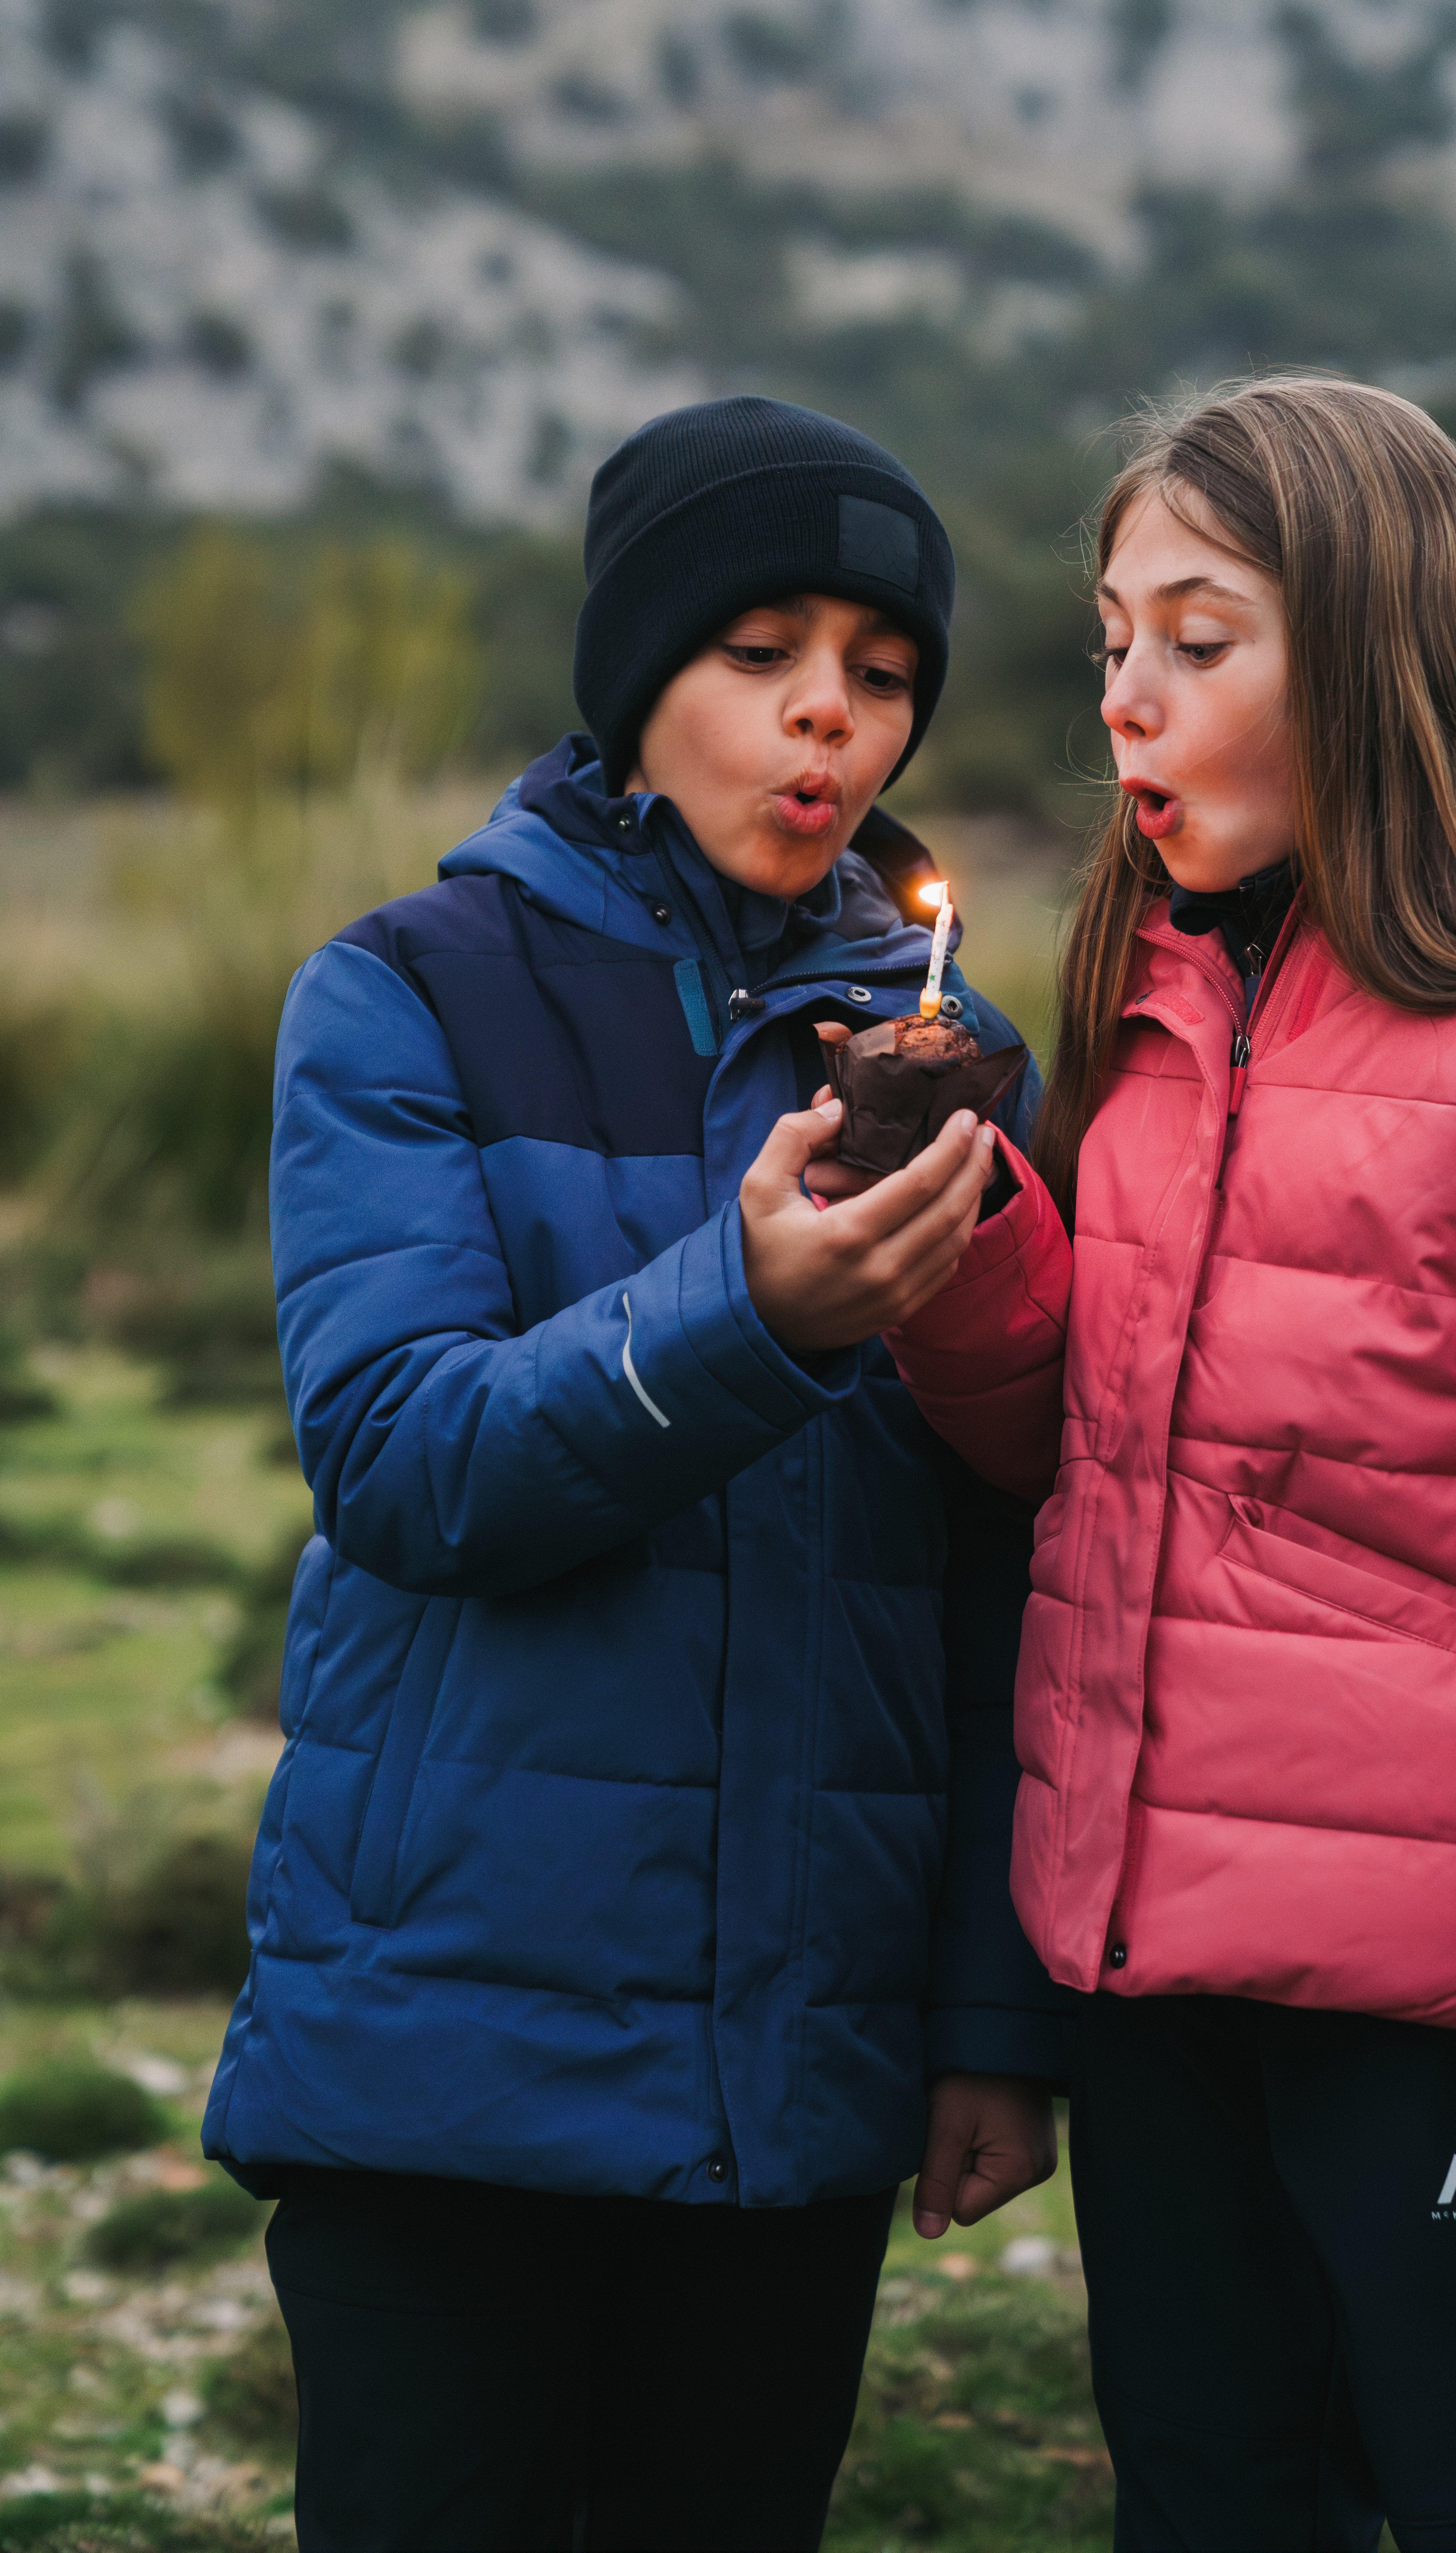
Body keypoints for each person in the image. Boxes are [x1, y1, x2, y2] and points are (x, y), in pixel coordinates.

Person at [884, 376, 1456, 2553]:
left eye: (1198, 640)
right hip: (1158, 1994)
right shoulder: (1159, 989)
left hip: (1445, 2019)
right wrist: (951, 1248)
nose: (1128, 696)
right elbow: (1091, 1471)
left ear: (1383, 644)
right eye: (1110, 638)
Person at [202, 395, 1068, 2553]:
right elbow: (409, 1468)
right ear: (635, 679)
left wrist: (979, 2016)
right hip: (443, 2064)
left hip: (792, 2082)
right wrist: (753, 1317)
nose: (828, 720)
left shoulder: (952, 1072)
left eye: (879, 675)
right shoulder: (406, 997)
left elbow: (1003, 1569)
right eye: (758, 650)